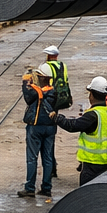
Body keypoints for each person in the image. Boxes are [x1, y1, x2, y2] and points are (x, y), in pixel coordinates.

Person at [51, 76, 107, 186]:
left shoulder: (93, 115)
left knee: (88, 192)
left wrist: (57, 118)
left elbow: (73, 126)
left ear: (93, 95)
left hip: (93, 162)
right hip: (106, 161)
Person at [18, 62, 56, 199]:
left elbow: (28, 97)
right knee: (47, 158)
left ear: (42, 77)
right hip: (51, 127)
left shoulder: (37, 92)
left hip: (36, 127)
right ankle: (46, 187)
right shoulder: (54, 91)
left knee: (32, 158)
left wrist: (25, 82)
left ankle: (30, 188)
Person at [43, 45, 71, 178]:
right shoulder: (63, 66)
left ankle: (51, 167)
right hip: (59, 102)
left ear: (48, 56)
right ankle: (53, 166)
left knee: (47, 137)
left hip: (48, 103)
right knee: (52, 134)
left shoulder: (45, 67)